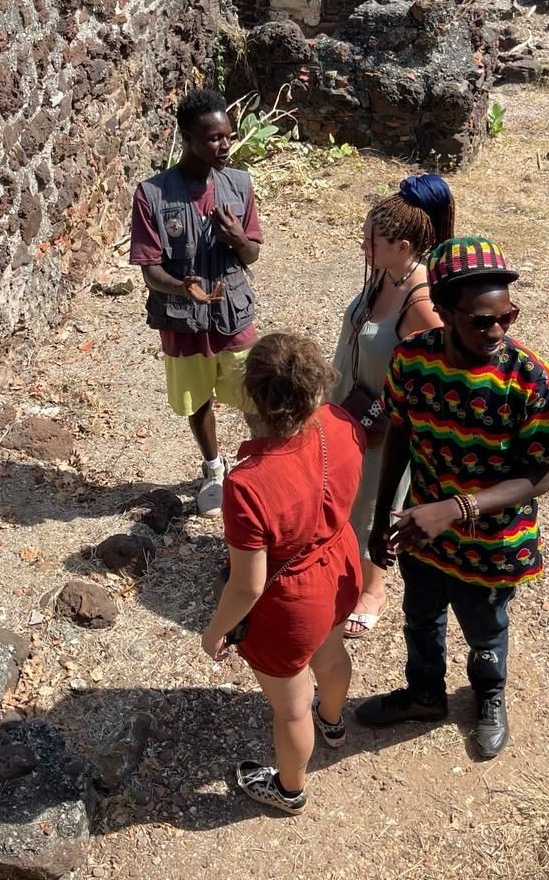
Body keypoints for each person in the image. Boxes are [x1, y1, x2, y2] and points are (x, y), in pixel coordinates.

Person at [356, 236, 549, 758]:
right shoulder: (411, 360)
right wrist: (382, 522)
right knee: (420, 617)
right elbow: (401, 438)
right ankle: (424, 695)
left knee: (486, 627)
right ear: (444, 313)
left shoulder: (529, 378)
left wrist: (457, 509)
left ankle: (489, 697)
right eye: (481, 321)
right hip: (423, 530)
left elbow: (540, 474)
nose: (497, 331)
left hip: (492, 539)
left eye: (507, 317)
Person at [202, 333, 364, 815]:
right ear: (316, 388)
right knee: (331, 654)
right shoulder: (338, 422)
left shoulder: (247, 483)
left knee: (292, 705)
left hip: (292, 602)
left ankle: (289, 791)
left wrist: (216, 630)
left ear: (248, 394)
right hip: (340, 567)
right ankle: (333, 724)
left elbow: (248, 583)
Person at [330, 174, 455, 637]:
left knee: (374, 504)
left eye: (372, 240)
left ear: (403, 247)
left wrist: (391, 413)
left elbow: (439, 377)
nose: (364, 246)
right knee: (345, 497)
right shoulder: (386, 273)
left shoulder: (421, 304)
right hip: (345, 406)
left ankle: (373, 589)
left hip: (379, 424)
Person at [130, 89, 263, 516]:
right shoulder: (152, 195)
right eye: (213, 139)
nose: (225, 146)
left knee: (253, 390)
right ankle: (213, 468)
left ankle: (260, 464)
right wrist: (182, 287)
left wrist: (238, 239)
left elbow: (253, 253)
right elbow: (150, 269)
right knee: (197, 396)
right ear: (187, 137)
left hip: (233, 311)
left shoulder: (239, 185)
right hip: (183, 319)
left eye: (228, 136)